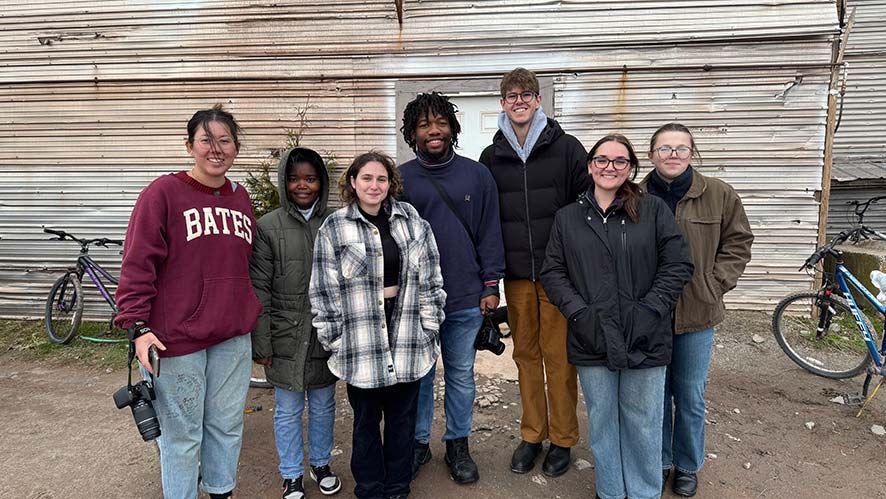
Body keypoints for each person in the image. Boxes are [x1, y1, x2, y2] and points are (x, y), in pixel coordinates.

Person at [114, 105, 262, 499]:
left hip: (232, 337)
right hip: (176, 340)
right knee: (182, 436)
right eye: (206, 140)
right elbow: (138, 262)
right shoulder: (163, 193)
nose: (216, 149)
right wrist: (137, 325)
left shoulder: (241, 197)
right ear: (189, 146)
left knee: (226, 426)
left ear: (236, 147)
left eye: (225, 140)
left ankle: (220, 491)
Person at [540, 134, 693, 499]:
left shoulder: (653, 210)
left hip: (646, 333)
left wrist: (651, 308)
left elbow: (677, 263)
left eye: (620, 160)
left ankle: (643, 493)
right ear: (590, 166)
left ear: (631, 168)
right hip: (591, 334)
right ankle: (610, 491)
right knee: (603, 420)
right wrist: (579, 313)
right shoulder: (568, 218)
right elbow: (553, 272)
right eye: (602, 159)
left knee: (643, 421)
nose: (610, 167)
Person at [309, 151, 446, 499]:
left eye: (381, 179)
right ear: (353, 182)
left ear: (390, 183)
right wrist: (335, 339)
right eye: (367, 178)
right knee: (366, 422)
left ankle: (398, 487)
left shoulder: (412, 222)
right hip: (361, 339)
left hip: (407, 333)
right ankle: (370, 488)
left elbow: (432, 278)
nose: (374, 185)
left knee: (402, 421)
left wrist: (430, 326)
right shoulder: (335, 227)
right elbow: (323, 289)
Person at [478, 67, 590, 476]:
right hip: (518, 275)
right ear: (503, 103)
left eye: (527, 94)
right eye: (512, 95)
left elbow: (586, 207)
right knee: (526, 355)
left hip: (559, 274)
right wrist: (490, 276)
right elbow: (487, 220)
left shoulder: (567, 148)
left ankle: (562, 439)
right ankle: (532, 434)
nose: (519, 101)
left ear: (539, 100)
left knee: (559, 357)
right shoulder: (492, 157)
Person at [398, 92, 506, 484]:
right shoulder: (401, 179)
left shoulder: (477, 175)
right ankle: (418, 443)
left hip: (465, 297)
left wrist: (491, 284)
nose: (434, 130)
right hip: (417, 301)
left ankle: (458, 444)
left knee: (460, 376)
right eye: (424, 124)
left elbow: (490, 232)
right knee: (420, 377)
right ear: (412, 133)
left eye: (441, 123)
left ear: (453, 128)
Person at [641, 123, 754, 497]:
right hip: (650, 314)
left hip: (698, 312)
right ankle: (659, 460)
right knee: (655, 395)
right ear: (652, 155)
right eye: (664, 148)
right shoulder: (635, 196)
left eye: (681, 148)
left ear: (692, 154)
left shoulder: (719, 194)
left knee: (689, 395)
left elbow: (738, 242)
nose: (673, 155)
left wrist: (715, 284)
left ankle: (687, 465)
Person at [250, 147, 342, 499]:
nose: (302, 185)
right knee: (288, 410)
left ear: (322, 183)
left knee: (323, 405)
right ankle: (291, 474)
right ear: (283, 182)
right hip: (284, 335)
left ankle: (321, 464)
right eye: (293, 179)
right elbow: (259, 288)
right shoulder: (267, 227)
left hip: (325, 333)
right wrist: (262, 341)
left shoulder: (336, 222)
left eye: (310, 178)